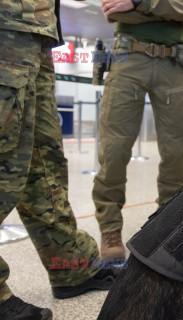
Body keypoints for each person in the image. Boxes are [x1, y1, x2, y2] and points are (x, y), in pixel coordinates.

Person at [0, 1, 115, 319]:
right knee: (3, 161)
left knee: (43, 163)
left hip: (35, 29)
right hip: (7, 23)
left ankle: (72, 267)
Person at [92, 0, 183, 260]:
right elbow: (113, 9)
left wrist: (138, 4)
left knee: (175, 153)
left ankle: (167, 225)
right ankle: (110, 228)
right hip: (128, 59)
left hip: (173, 63)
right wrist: (167, 14)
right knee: (114, 150)